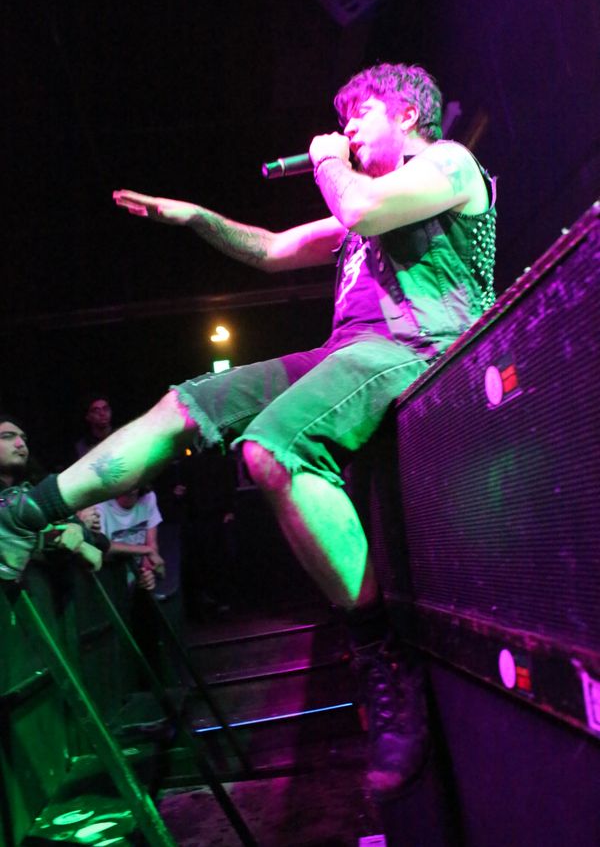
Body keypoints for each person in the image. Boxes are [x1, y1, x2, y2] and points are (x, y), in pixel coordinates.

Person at [0, 63, 496, 799]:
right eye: (343, 123)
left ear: (407, 114)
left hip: (422, 348)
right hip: (349, 354)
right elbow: (268, 249)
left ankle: (380, 653)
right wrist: (193, 217)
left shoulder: (448, 165)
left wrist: (327, 161)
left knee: (272, 449)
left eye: (361, 114)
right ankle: (24, 511)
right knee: (187, 403)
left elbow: (362, 210)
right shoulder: (359, 207)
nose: (347, 130)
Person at [0, 415, 104, 577]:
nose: (20, 444)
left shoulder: (36, 485)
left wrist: (77, 529)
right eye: (7, 436)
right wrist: (74, 543)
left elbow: (94, 539)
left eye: (24, 438)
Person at [97, 487, 165, 592]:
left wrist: (147, 573)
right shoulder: (100, 502)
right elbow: (102, 545)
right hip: (108, 576)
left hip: (134, 574)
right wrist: (146, 550)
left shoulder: (148, 497)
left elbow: (152, 544)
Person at [73, 395, 113, 460]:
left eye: (105, 409)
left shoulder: (122, 434)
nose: (102, 413)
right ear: (88, 417)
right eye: (96, 411)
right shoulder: (82, 446)